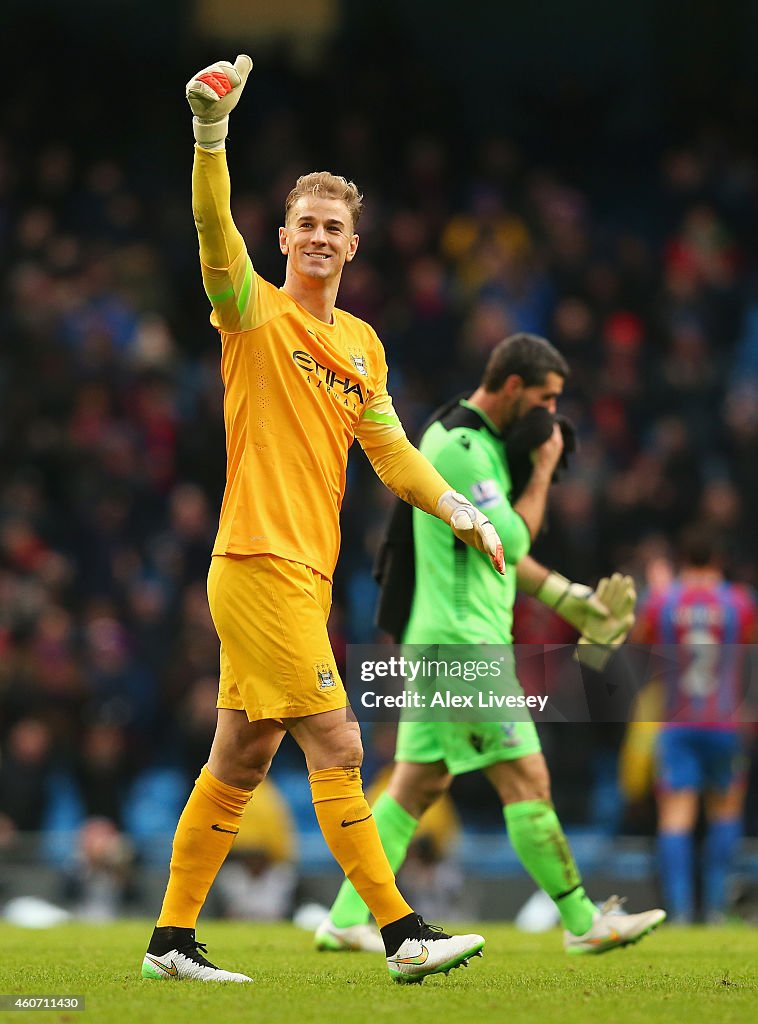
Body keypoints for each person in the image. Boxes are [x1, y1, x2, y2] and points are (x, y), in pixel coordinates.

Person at [141, 55, 508, 985]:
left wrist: (459, 507)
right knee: (341, 744)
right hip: (258, 560)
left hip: (302, 569)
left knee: (241, 755)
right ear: (284, 236)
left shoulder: (362, 348)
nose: (316, 235)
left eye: (332, 227)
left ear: (352, 247)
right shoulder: (251, 312)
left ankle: (170, 944)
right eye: (303, 223)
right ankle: (401, 933)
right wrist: (209, 134)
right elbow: (210, 228)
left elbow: (389, 453)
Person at [315, 333, 666, 955]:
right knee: (527, 778)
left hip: (448, 639)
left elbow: (498, 552)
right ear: (512, 387)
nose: (550, 415)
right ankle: (583, 922)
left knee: (416, 786)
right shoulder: (463, 446)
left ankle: (345, 916)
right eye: (546, 399)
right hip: (462, 645)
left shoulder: (473, 443)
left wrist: (567, 597)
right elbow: (516, 536)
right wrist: (548, 468)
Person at [637, 526, 756, 923]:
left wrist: (658, 592)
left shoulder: (664, 601)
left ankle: (682, 912)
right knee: (725, 813)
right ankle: (718, 908)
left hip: (676, 725)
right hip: (726, 724)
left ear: (681, 559)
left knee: (676, 816)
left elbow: (640, 641)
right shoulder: (739, 602)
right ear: (719, 561)